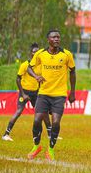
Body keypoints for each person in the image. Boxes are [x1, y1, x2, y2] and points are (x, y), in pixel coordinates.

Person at [26, 29, 76, 161]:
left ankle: (51, 149)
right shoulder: (40, 54)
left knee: (56, 122)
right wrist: (36, 76)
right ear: (48, 40)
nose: (56, 39)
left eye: (58, 37)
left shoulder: (66, 55)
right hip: (43, 94)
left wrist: (72, 92)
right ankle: (36, 146)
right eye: (53, 37)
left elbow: (73, 72)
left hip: (59, 95)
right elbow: (29, 68)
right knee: (37, 120)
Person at [2, 43, 52, 141]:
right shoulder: (25, 65)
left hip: (35, 93)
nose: (35, 53)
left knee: (43, 112)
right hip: (24, 92)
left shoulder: (41, 66)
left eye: (37, 52)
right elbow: (17, 79)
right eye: (34, 52)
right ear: (30, 53)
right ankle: (6, 134)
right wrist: (23, 94)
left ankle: (51, 135)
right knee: (19, 111)